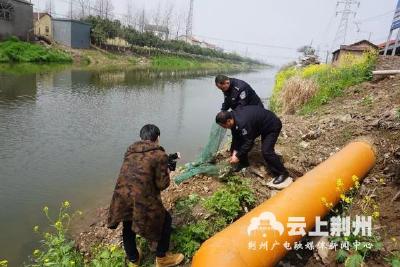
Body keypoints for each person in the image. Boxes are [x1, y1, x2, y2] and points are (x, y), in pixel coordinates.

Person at [107, 124, 184, 267]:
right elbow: (162, 185)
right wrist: (168, 172)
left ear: (141, 138)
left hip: (122, 196)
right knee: (165, 220)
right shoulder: (159, 154)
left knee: (128, 224)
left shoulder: (130, 152)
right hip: (141, 197)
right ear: (158, 138)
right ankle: (162, 258)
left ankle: (133, 259)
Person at [215, 106, 289, 184]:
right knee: (239, 145)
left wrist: (237, 156)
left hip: (272, 125)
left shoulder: (242, 123)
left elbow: (249, 143)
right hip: (260, 125)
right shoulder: (232, 116)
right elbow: (236, 136)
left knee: (266, 151)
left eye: (223, 126)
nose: (224, 128)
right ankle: (243, 164)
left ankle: (282, 173)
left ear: (228, 121)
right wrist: (234, 151)